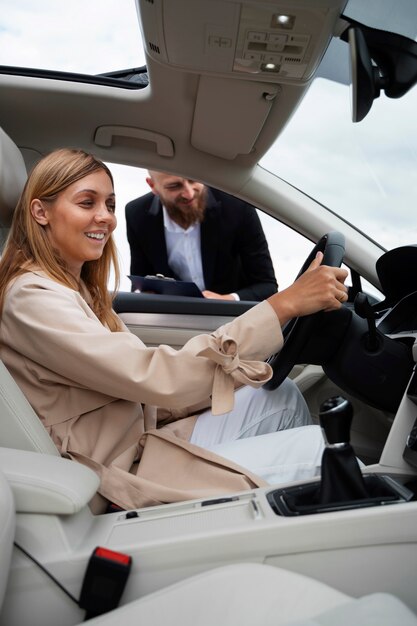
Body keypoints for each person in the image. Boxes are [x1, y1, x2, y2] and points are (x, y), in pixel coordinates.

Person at [0, 149, 349, 513]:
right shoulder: (32, 297)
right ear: (40, 212)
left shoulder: (78, 291)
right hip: (117, 471)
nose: (105, 218)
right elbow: (153, 376)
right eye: (87, 203)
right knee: (316, 451)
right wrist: (283, 306)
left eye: (110, 204)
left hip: (141, 440)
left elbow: (140, 391)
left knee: (279, 394)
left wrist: (231, 376)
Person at [125, 171, 278, 301]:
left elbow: (267, 286)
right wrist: (146, 295)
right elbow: (140, 283)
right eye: (174, 186)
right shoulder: (136, 214)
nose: (189, 193)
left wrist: (229, 300)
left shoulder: (238, 205)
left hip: (234, 320)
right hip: (174, 321)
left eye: (194, 179)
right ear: (153, 186)